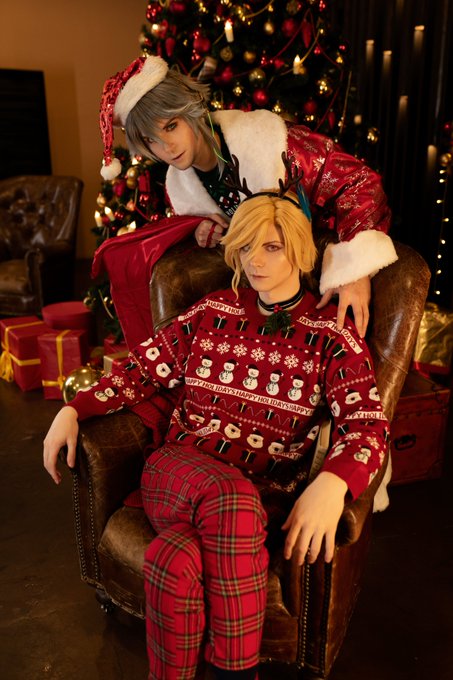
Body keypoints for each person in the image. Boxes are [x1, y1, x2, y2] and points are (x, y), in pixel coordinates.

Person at [44, 184, 389, 680]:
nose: (255, 260)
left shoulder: (332, 338)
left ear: (299, 249)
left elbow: (367, 426)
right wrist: (73, 410)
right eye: (245, 246)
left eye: (271, 246)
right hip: (177, 471)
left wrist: (334, 483)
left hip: (261, 494)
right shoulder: (212, 313)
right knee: (232, 498)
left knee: (175, 561)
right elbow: (141, 370)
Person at [99, 54, 398, 338]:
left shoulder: (277, 145)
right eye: (151, 140)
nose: (166, 147)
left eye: (171, 126)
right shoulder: (180, 190)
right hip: (264, 305)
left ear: (190, 107)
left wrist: (353, 269)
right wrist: (200, 229)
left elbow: (360, 182)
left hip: (322, 284)